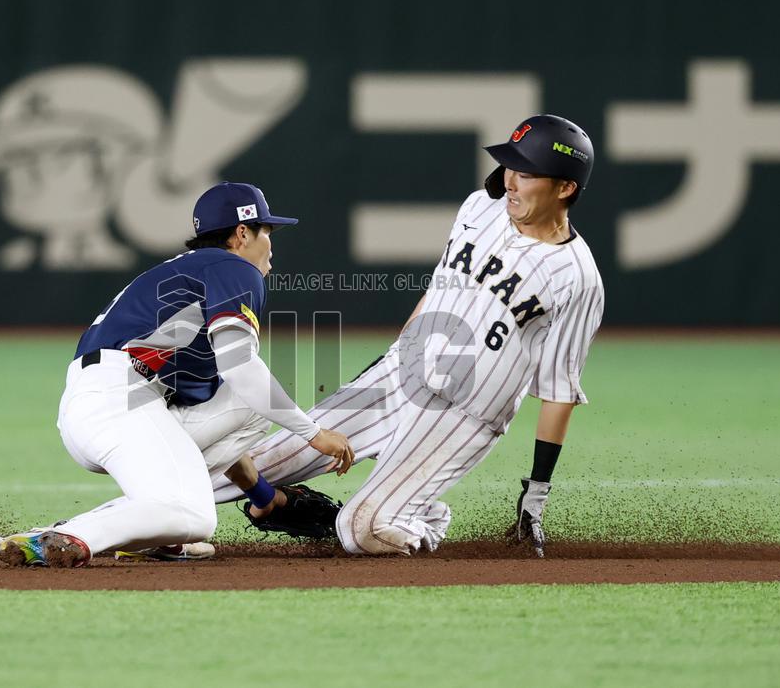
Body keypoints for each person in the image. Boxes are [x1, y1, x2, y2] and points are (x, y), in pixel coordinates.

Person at [213, 115, 605, 556]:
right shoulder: (480, 208)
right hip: (396, 377)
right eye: (510, 166)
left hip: (463, 416)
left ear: (565, 187)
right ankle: (168, 512)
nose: (511, 181)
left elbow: (558, 392)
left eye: (527, 173)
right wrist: (392, 356)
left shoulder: (577, 277)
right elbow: (439, 287)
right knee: (245, 465)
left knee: (359, 530)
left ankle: (424, 518)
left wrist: (537, 492)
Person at [0, 182, 354, 567]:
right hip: (119, 400)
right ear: (242, 234)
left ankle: (147, 536)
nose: (270, 244)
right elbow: (240, 366)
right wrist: (314, 434)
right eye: (266, 231)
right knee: (196, 518)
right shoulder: (233, 268)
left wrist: (264, 496)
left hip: (109, 402)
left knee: (251, 407)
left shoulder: (192, 273)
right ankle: (69, 536)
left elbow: (234, 410)